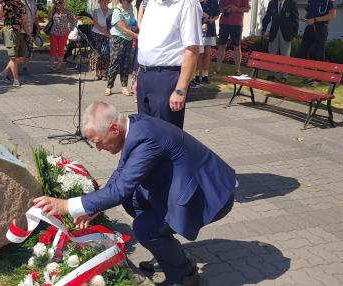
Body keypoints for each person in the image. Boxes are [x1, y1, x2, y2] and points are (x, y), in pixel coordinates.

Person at [33, 101, 236, 286]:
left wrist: (67, 205)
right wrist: (95, 205)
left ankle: (185, 276)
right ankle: (168, 253)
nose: (98, 148)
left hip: (208, 195)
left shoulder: (146, 138)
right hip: (186, 184)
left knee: (144, 228)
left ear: (114, 129)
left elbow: (121, 189)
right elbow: (121, 173)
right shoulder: (133, 126)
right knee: (133, 201)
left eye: (98, 141)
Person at [135, 0, 203, 128]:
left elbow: (192, 49)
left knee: (166, 136)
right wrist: (138, 76)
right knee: (146, 133)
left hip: (166, 78)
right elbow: (146, 40)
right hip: (145, 76)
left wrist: (181, 89)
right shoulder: (153, 1)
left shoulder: (187, 2)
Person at [0, 0, 33, 88]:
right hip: (9, 30)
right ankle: (16, 80)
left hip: (19, 31)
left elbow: (24, 21)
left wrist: (29, 34)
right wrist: (2, 5)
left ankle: (5, 72)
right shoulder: (7, 2)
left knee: (23, 56)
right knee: (13, 57)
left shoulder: (22, 5)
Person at [261, 0, 299, 81]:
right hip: (274, 31)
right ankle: (271, 74)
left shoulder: (291, 3)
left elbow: (296, 19)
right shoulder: (272, 3)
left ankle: (284, 76)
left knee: (285, 55)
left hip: (286, 33)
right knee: (272, 54)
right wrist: (264, 28)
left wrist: (294, 33)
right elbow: (267, 17)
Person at [105, 0, 138, 97]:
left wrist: (134, 26)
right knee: (115, 62)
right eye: (128, 1)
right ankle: (109, 87)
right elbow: (123, 29)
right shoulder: (116, 11)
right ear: (122, 0)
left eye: (132, 0)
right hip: (117, 38)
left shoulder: (130, 8)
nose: (130, 3)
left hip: (128, 39)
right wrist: (137, 36)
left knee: (125, 63)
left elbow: (132, 22)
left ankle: (124, 86)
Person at [214, 0, 250, 75]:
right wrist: (226, 8)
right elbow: (219, 8)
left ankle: (237, 69)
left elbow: (246, 9)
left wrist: (235, 8)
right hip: (224, 23)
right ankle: (217, 68)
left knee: (237, 46)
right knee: (221, 45)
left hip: (236, 24)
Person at [299, 0, 336, 70]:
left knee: (318, 53)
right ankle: (309, 75)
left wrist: (315, 19)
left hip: (320, 28)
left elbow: (332, 15)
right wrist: (305, 19)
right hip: (310, 28)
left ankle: (317, 78)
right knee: (303, 51)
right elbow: (309, 13)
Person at [194, 0, 220, 85]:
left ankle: (205, 75)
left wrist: (212, 19)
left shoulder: (213, 0)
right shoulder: (198, 0)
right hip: (199, 28)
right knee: (199, 53)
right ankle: (196, 74)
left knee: (207, 53)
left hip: (209, 29)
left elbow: (217, 14)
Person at [46, 0, 76, 72]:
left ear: (63, 3)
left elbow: (74, 20)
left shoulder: (67, 12)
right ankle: (51, 67)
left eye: (61, 3)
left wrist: (70, 29)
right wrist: (53, 8)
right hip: (53, 33)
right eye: (57, 3)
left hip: (63, 34)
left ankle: (59, 67)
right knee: (53, 49)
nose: (59, 4)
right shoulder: (53, 11)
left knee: (61, 50)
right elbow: (49, 18)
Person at [89, 0, 112, 80]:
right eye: (103, 0)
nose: (105, 2)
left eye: (106, 0)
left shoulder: (111, 11)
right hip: (96, 34)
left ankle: (104, 73)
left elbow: (112, 23)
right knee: (97, 54)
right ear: (100, 2)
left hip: (107, 34)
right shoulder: (96, 11)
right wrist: (102, 30)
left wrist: (106, 30)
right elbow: (95, 23)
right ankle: (97, 73)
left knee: (105, 54)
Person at [21, 0, 38, 75]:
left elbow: (35, 15)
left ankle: (25, 67)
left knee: (29, 49)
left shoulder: (33, 1)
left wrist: (37, 27)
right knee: (20, 50)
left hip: (30, 30)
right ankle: (13, 68)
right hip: (21, 30)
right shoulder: (21, 0)